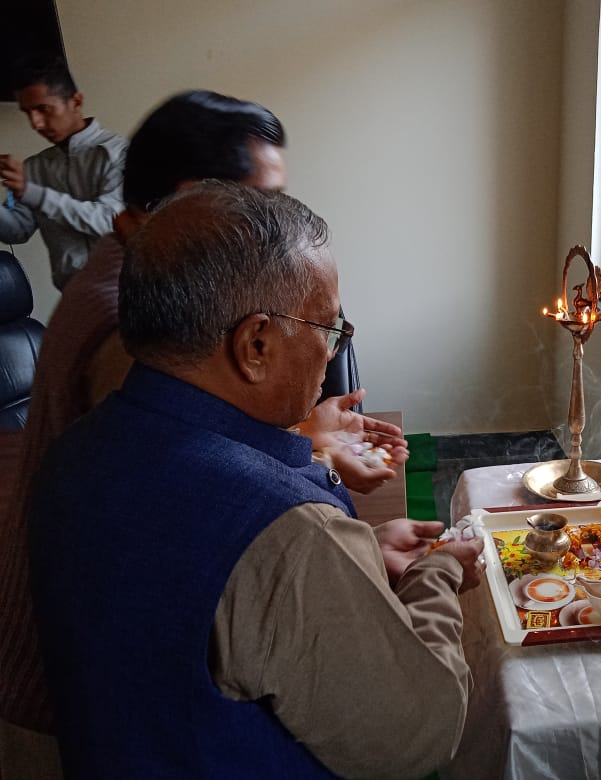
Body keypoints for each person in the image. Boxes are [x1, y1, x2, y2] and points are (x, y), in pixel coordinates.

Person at [0, 90, 408, 777]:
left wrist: (313, 443)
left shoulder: (133, 269)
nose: (279, 222)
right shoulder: (133, 329)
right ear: (196, 201)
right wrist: (324, 473)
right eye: (266, 202)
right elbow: (192, 505)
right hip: (70, 696)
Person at [28, 181, 485, 778]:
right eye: (329, 326)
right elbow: (417, 737)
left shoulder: (73, 454)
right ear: (256, 344)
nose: (330, 350)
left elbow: (185, 595)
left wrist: (357, 562)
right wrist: (437, 573)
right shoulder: (288, 532)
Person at [0, 53, 126, 290]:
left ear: (76, 102)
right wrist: (18, 193)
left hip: (130, 294)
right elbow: (17, 232)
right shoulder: (33, 168)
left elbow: (110, 222)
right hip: (75, 298)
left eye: (43, 109)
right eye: (27, 113)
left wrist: (32, 192)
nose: (35, 123)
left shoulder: (117, 153)